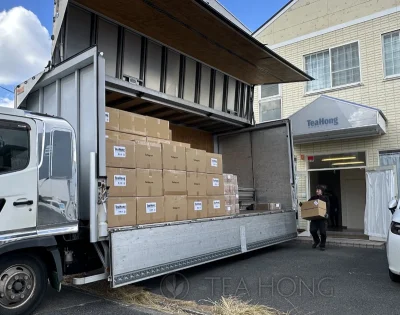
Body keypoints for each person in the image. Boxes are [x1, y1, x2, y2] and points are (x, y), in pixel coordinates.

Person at [302, 185, 329, 251]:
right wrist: (301, 205)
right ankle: (317, 241)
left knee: (323, 232)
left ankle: (322, 245)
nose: (317, 191)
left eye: (318, 190)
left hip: (322, 218)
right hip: (314, 218)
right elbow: (307, 204)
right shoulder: (313, 198)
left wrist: (327, 214)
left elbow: (328, 207)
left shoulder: (325, 198)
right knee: (312, 231)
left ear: (322, 191)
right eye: (316, 190)